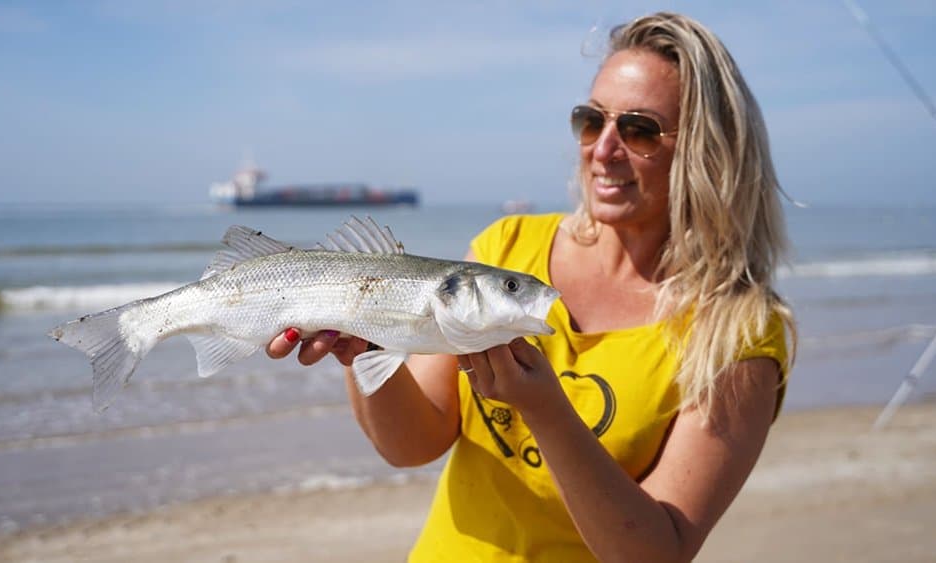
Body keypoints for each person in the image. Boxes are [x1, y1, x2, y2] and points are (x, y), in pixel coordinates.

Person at [266, 11, 796, 562]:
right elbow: (411, 443)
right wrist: (367, 346)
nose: (604, 149)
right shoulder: (507, 248)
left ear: (709, 152)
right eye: (591, 121)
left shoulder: (739, 330)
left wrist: (547, 412)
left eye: (638, 129)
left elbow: (656, 553)